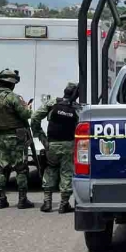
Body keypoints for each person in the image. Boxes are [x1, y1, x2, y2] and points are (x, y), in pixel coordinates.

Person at [31, 82, 80, 214]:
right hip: (69, 145)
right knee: (67, 172)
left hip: (51, 145)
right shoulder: (77, 108)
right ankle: (64, 205)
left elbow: (35, 117)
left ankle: (47, 202)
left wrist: (41, 137)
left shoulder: (53, 103)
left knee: (50, 169)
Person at [0, 69, 34, 209]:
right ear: (11, 83)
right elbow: (26, 114)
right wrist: (28, 107)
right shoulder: (13, 97)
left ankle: (1, 199)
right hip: (16, 137)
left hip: (2, 136)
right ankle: (22, 199)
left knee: (2, 168)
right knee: (21, 168)